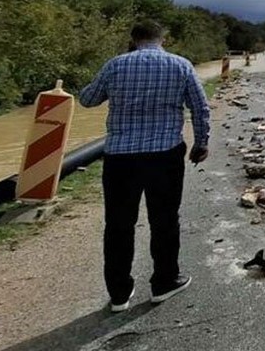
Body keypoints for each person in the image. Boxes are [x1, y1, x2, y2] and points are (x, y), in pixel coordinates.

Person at [80, 20, 211, 312]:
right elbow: (200, 107)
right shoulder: (180, 65)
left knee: (118, 225)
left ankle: (118, 294)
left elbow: (87, 100)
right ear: (162, 38)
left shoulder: (115, 65)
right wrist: (201, 143)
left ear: (133, 39)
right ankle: (164, 283)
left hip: (119, 158)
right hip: (164, 155)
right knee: (164, 220)